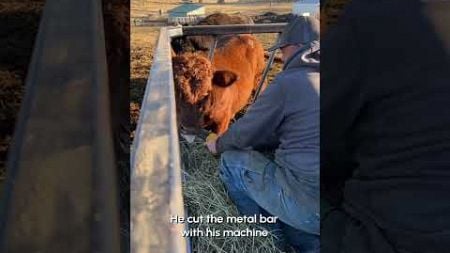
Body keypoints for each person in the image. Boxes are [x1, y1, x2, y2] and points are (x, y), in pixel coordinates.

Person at [205, 15, 320, 252]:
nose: (283, 57)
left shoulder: (290, 82)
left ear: (296, 47)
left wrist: (217, 145)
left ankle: (267, 240)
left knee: (231, 162)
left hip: (309, 204)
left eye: (283, 50)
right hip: (344, 208)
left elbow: (245, 131)